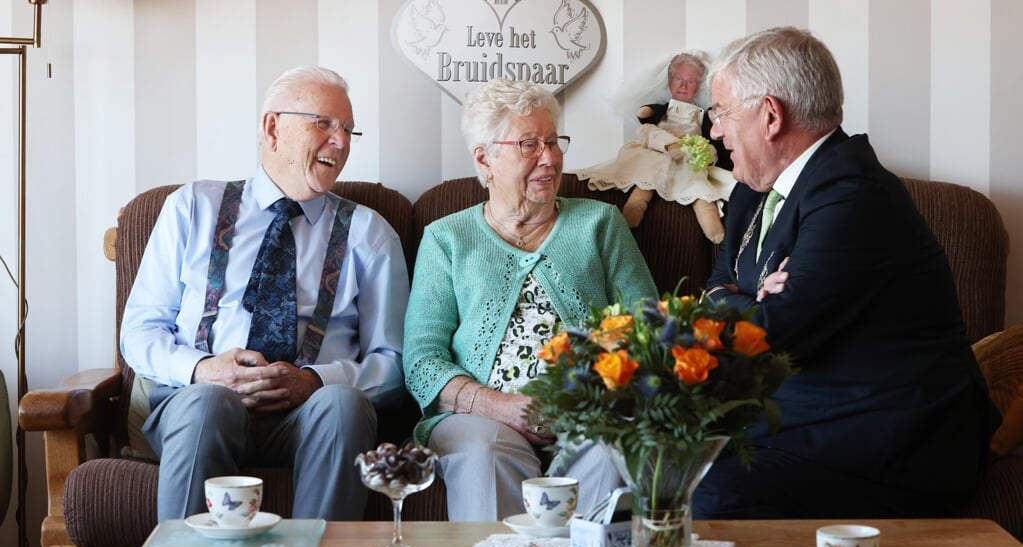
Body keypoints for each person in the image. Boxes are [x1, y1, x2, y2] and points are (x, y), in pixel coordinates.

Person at [698, 27, 999, 519]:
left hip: (894, 437)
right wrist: (744, 300)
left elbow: (777, 333)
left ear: (770, 115)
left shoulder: (853, 194)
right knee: (652, 464)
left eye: (722, 113)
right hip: (807, 419)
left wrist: (745, 303)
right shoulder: (751, 191)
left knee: (708, 494)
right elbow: (717, 286)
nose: (715, 131)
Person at [120, 66, 410, 522]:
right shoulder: (192, 207)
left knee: (341, 404)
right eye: (324, 123)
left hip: (309, 420)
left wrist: (315, 380)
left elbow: (393, 362)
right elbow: (140, 331)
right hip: (196, 410)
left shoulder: (370, 234)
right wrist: (201, 370)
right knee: (208, 402)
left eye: (349, 130)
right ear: (273, 127)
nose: (341, 141)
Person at [403, 78, 658, 521]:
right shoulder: (446, 238)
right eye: (529, 144)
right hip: (480, 415)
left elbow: (648, 327)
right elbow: (422, 358)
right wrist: (500, 407)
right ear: (485, 158)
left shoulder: (600, 223)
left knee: (616, 443)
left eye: (554, 142)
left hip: (590, 408)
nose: (551, 157)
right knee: (484, 449)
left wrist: (591, 398)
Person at [576, 52, 735, 237]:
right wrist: (651, 119)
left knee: (699, 185)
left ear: (698, 87)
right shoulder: (664, 110)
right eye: (678, 78)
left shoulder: (702, 115)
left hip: (687, 156)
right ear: (669, 81)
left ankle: (713, 227)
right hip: (658, 152)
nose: (683, 85)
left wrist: (703, 151)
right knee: (649, 140)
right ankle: (632, 213)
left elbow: (712, 138)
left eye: (691, 82)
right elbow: (644, 115)